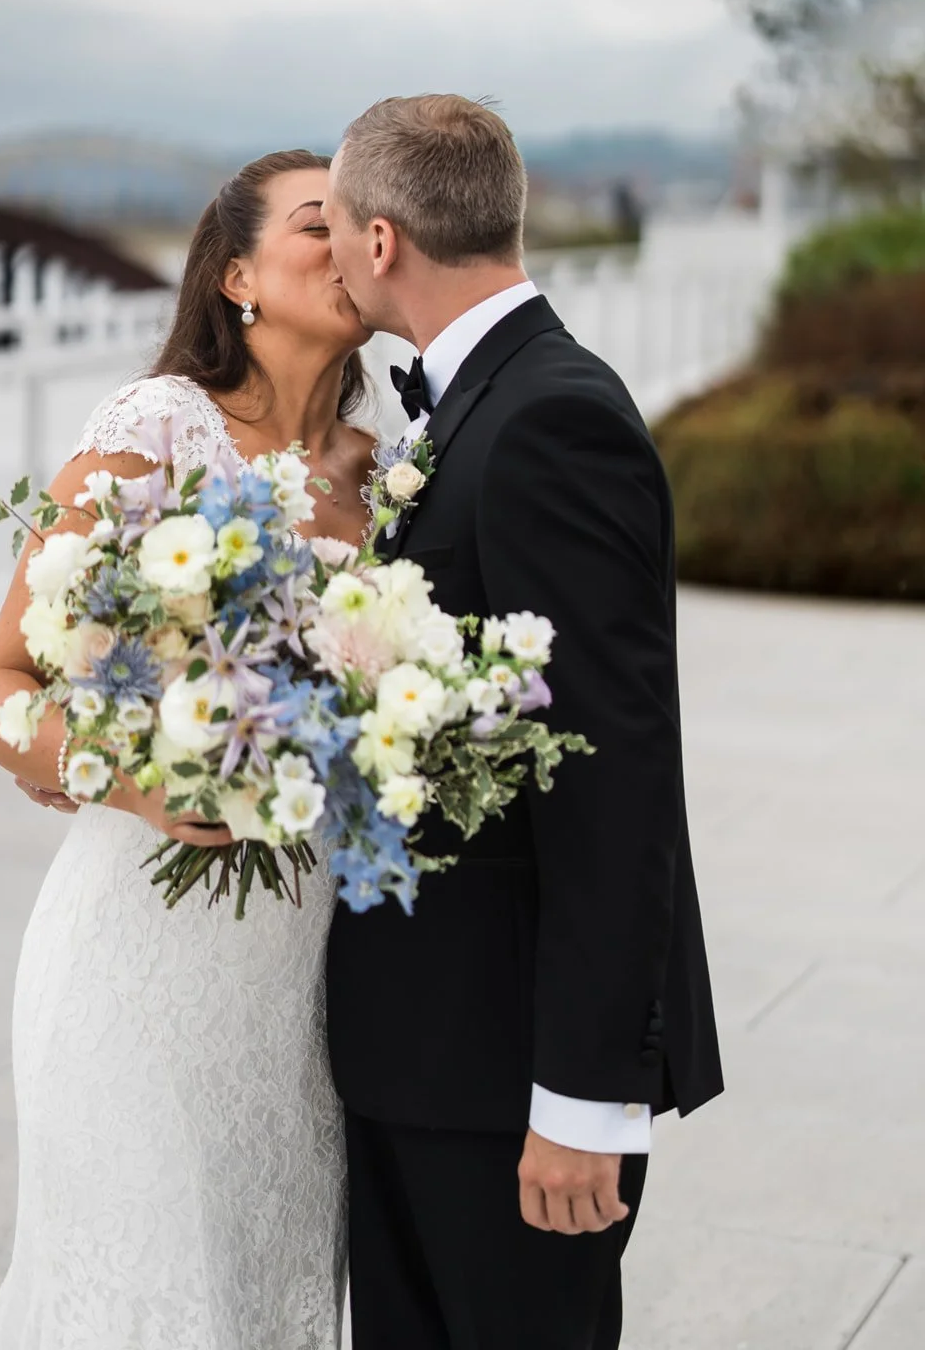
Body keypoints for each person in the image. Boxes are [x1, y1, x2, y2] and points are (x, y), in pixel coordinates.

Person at [321, 95, 724, 1350]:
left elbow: (617, 781)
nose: (332, 254)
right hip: (424, 1058)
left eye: (332, 225)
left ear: (382, 241)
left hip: (508, 1083)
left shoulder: (552, 418)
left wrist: (581, 1100)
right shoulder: (466, 407)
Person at [0, 149, 375, 1350]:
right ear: (238, 275)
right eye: (316, 224)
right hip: (135, 963)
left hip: (299, 989)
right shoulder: (155, 434)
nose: (349, 244)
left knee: (262, 1301)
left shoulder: (384, 465)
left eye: (360, 224)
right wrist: (134, 776)